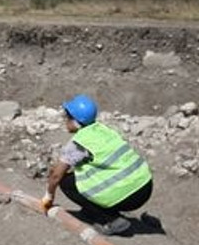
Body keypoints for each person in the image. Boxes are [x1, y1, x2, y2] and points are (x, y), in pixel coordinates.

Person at [40, 94, 154, 236]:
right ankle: (91, 212)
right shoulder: (103, 130)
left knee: (66, 182)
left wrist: (48, 198)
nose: (65, 121)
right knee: (82, 176)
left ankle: (111, 220)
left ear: (75, 121)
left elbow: (56, 176)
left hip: (128, 196)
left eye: (67, 117)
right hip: (145, 186)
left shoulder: (80, 143)